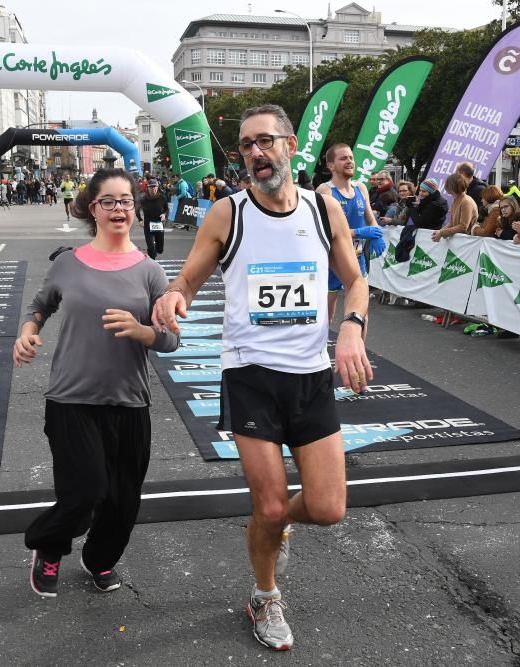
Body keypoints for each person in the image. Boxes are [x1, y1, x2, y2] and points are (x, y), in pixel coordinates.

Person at [152, 104, 369, 652]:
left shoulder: (324, 213)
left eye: (264, 141)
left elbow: (356, 281)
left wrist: (351, 330)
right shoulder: (229, 213)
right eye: (245, 145)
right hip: (250, 373)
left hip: (310, 374)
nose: (254, 153)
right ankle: (265, 595)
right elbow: (190, 278)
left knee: (327, 508)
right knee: (268, 505)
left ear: (290, 146)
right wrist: (177, 296)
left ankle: (278, 531)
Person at [16, 168, 179, 599]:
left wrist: (144, 332)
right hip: (71, 398)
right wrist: (27, 331)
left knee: (124, 503)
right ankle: (47, 545)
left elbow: (171, 338)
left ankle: (99, 559)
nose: (119, 208)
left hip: (129, 402)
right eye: (108, 201)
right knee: (85, 491)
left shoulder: (150, 273)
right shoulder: (67, 263)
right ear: (93, 209)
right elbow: (40, 305)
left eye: (126, 200)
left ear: (135, 209)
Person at [315, 143, 384, 322]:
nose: (349, 161)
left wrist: (376, 233)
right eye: (343, 158)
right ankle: (322, 349)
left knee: (360, 313)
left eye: (351, 158)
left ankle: (359, 348)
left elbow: (370, 218)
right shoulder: (325, 191)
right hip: (333, 260)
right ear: (331, 165)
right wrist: (361, 232)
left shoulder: (361, 188)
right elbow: (325, 231)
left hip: (357, 257)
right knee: (326, 314)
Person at [431, 173, 476, 241]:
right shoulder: (456, 200)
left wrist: (441, 233)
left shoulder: (466, 201)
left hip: (466, 241)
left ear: (451, 186)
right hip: (460, 240)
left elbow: (463, 226)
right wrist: (440, 231)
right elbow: (452, 223)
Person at [138, 177, 169, 259]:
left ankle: (155, 251)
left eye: (155, 187)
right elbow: (137, 210)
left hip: (159, 224)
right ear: (148, 188)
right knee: (151, 248)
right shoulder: (143, 199)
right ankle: (152, 261)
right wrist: (140, 219)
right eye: (151, 187)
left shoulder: (162, 198)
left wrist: (164, 215)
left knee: (160, 249)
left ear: (157, 187)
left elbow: (167, 209)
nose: (153, 189)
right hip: (148, 225)